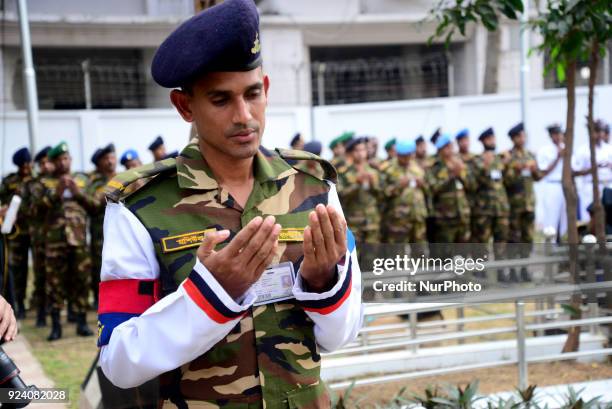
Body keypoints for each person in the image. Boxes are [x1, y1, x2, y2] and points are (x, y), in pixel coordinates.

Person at [98, 1, 362, 406]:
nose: (244, 116)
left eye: (252, 94)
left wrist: (324, 282)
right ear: (185, 106)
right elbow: (118, 361)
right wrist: (210, 295)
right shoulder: (139, 206)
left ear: (266, 89)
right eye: (221, 100)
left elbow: (342, 336)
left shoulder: (314, 187)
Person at [41, 142, 94, 340]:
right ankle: (56, 326)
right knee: (55, 284)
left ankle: (81, 323)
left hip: (78, 240)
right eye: (59, 160)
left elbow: (95, 206)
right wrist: (56, 193)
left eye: (66, 159)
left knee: (81, 281)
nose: (63, 163)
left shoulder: (82, 179)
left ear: (70, 160)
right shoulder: (44, 183)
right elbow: (35, 210)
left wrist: (77, 192)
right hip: (54, 242)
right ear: (53, 163)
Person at [504, 123, 542, 281]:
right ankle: (513, 270)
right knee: (514, 239)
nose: (522, 139)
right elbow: (506, 180)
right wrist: (518, 169)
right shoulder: (508, 157)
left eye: (523, 136)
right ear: (513, 139)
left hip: (529, 204)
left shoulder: (530, 155)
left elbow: (538, 177)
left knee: (527, 238)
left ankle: (525, 269)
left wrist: (534, 171)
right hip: (515, 205)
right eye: (519, 136)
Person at [471, 128, 510, 280]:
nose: (492, 141)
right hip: (484, 209)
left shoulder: (501, 159)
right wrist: (486, 167)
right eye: (489, 139)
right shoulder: (477, 160)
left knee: (501, 241)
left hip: (501, 208)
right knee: (482, 242)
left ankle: (501, 271)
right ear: (483, 141)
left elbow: (507, 181)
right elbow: (474, 183)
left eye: (493, 138)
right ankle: (481, 271)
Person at [0, 147, 33, 319]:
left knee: (38, 270)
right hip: (15, 232)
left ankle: (33, 303)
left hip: (35, 231)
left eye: (29, 163)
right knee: (16, 270)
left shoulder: (36, 180)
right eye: (24, 164)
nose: (27, 167)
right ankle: (17, 304)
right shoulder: (9, 181)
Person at [425, 134, 470, 257]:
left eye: (451, 147)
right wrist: (450, 176)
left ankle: (463, 276)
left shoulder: (460, 164)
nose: (450, 150)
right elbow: (432, 189)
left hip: (462, 216)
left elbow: (471, 186)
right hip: (445, 218)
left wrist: (460, 174)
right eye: (447, 147)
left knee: (463, 254)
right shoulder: (434, 167)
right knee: (445, 254)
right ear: (440, 150)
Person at [25, 146, 54, 326]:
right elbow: (30, 209)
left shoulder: (58, 181)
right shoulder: (34, 184)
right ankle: (41, 313)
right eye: (42, 163)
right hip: (39, 239)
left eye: (48, 162)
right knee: (41, 276)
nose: (45, 166)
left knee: (56, 278)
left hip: (56, 238)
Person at [382, 140, 428, 256]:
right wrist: (398, 186)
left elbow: (428, 189)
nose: (406, 159)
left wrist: (423, 184)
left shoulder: (418, 168)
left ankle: (421, 274)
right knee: (397, 254)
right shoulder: (388, 169)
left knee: (420, 252)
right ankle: (398, 274)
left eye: (408, 155)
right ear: (397, 155)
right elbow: (382, 193)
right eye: (403, 156)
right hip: (398, 219)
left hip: (417, 216)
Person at [87, 144, 117, 308]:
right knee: (98, 265)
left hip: (119, 231)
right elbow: (90, 203)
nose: (110, 161)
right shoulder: (94, 182)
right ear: (99, 163)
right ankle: (99, 300)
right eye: (106, 159)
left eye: (112, 157)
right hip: (100, 231)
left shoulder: (124, 177)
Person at [338, 137, 381, 245]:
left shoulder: (374, 171)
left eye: (363, 150)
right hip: (353, 221)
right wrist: (356, 184)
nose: (360, 153)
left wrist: (373, 185)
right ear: (352, 153)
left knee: (371, 257)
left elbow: (382, 195)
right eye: (357, 150)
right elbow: (341, 195)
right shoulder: (344, 172)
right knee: (354, 256)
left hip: (372, 221)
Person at [573, 119, 612, 222]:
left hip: (608, 185)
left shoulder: (609, 149)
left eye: (601, 131)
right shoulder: (583, 150)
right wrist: (591, 169)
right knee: (589, 216)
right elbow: (575, 171)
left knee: (609, 215)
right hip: (590, 186)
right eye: (597, 131)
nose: (599, 134)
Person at [537, 124, 566, 238]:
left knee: (565, 217)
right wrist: (558, 157)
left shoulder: (567, 147)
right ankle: (551, 243)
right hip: (552, 185)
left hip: (565, 184)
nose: (558, 137)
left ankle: (564, 240)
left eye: (559, 134)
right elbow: (543, 171)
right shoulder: (545, 150)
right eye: (555, 134)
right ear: (550, 136)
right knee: (551, 216)